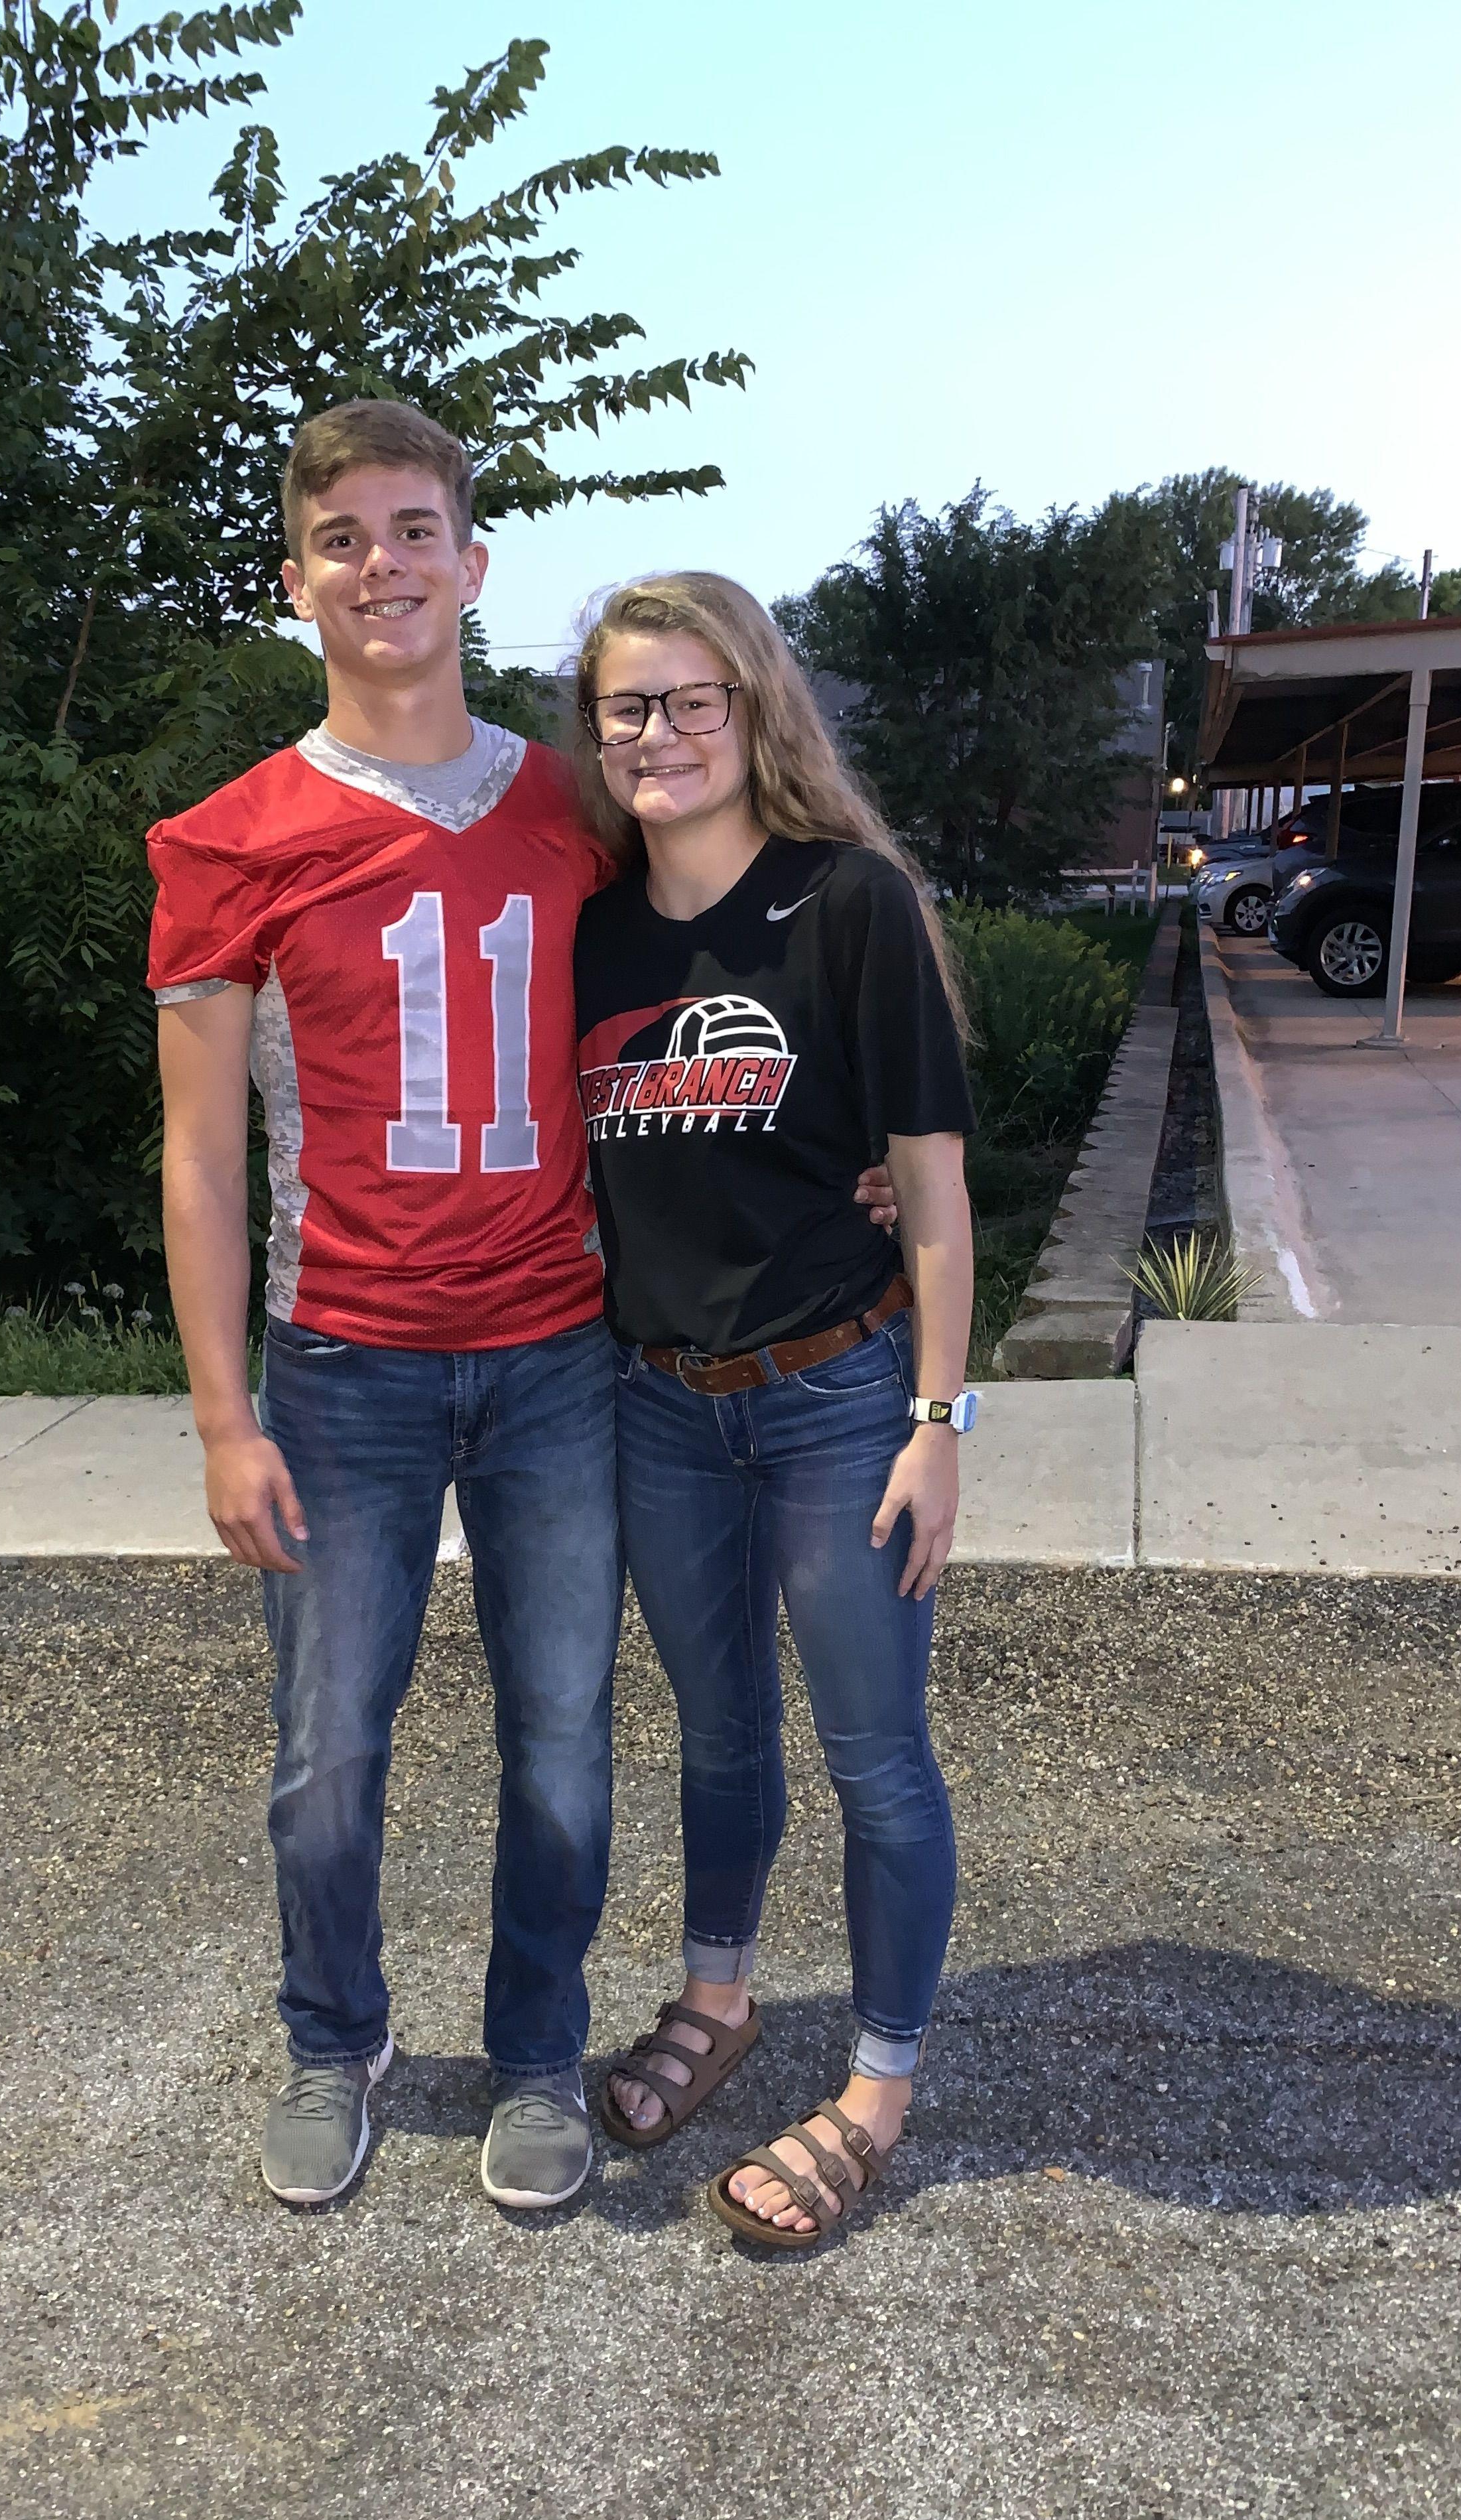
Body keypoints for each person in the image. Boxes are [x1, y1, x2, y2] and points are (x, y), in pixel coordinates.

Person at [148, 407, 894, 2216]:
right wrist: (223, 1413)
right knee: (328, 1755)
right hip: (348, 1368)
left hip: (564, 1351)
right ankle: (337, 2040)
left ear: (474, 566)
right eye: (345, 536)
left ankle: (539, 2054)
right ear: (295, 580)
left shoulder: (572, 802)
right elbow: (194, 1161)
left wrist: (854, 1143)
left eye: (419, 529)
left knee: (562, 1738)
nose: (385, 564)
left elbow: (748, 947)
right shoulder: (228, 838)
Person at [568, 571, 979, 2248]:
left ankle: (880, 2079)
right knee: (716, 1731)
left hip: (835, 1400)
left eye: (688, 701)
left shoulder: (851, 904)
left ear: (753, 711)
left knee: (876, 1752)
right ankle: (721, 1995)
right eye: (624, 709)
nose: (657, 736)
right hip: (657, 1408)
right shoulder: (593, 929)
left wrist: (940, 1422)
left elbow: (937, 1197)